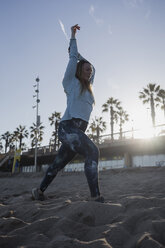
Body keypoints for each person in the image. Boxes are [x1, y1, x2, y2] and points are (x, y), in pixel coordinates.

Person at [32, 24, 104, 203]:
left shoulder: (89, 88)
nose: (90, 71)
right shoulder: (71, 83)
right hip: (68, 128)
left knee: (58, 164)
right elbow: (73, 58)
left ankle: (38, 191)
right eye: (86, 69)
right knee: (93, 152)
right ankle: (95, 196)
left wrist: (83, 59)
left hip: (77, 132)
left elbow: (93, 66)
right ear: (79, 70)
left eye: (90, 71)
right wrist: (73, 37)